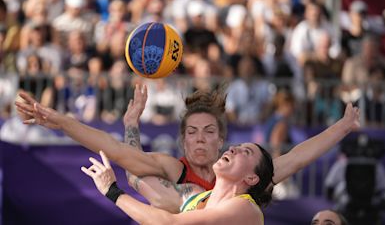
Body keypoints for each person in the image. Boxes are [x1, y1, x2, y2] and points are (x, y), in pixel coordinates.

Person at [15, 85, 360, 213]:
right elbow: (121, 155)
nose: (199, 138)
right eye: (192, 132)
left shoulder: (249, 179)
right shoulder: (173, 171)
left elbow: (298, 157)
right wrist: (60, 121)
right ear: (182, 140)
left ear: (222, 140)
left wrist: (343, 126)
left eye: (209, 131)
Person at [81, 143, 273, 224]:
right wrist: (131, 124)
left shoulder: (246, 208)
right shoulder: (192, 196)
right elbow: (135, 174)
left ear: (251, 178)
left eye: (246, 152)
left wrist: (112, 191)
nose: (233, 149)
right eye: (237, 146)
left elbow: (167, 222)